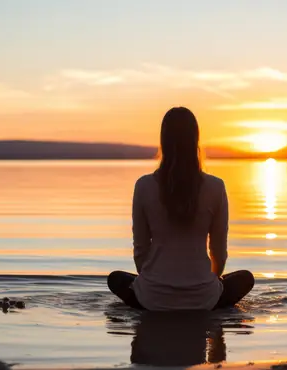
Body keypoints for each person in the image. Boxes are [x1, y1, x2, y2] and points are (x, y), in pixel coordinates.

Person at [107, 107, 254, 311]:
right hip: (204, 299)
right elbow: (219, 254)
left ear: (163, 141)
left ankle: (159, 294)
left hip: (152, 299)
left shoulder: (144, 186)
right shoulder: (216, 187)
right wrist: (206, 283)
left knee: (116, 279)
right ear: (195, 140)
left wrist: (157, 284)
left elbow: (140, 252)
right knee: (244, 278)